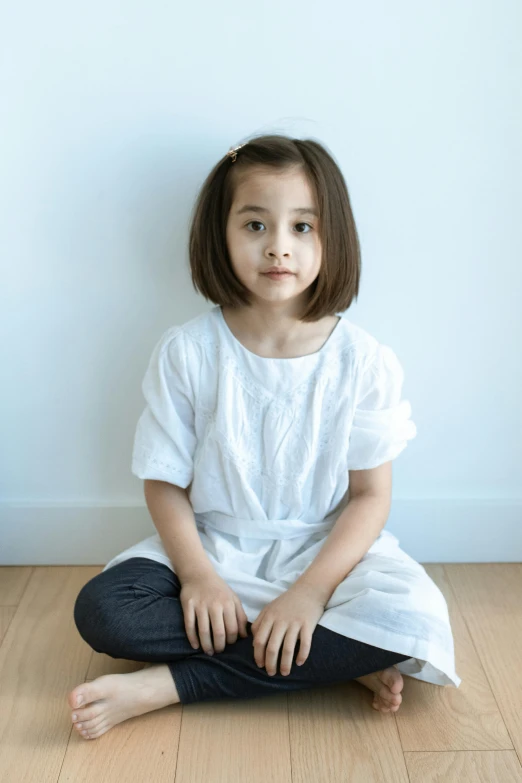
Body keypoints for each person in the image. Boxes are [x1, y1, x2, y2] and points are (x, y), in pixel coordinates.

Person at [68, 134, 461, 741]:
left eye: (303, 227)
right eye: (255, 224)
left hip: (325, 560)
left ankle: (173, 684)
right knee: (104, 612)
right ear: (219, 234)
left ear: (334, 238)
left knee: (413, 617)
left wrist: (308, 595)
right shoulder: (190, 352)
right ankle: (320, 659)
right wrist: (198, 577)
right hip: (216, 550)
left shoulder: (363, 362)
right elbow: (164, 482)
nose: (279, 247)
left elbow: (369, 499)